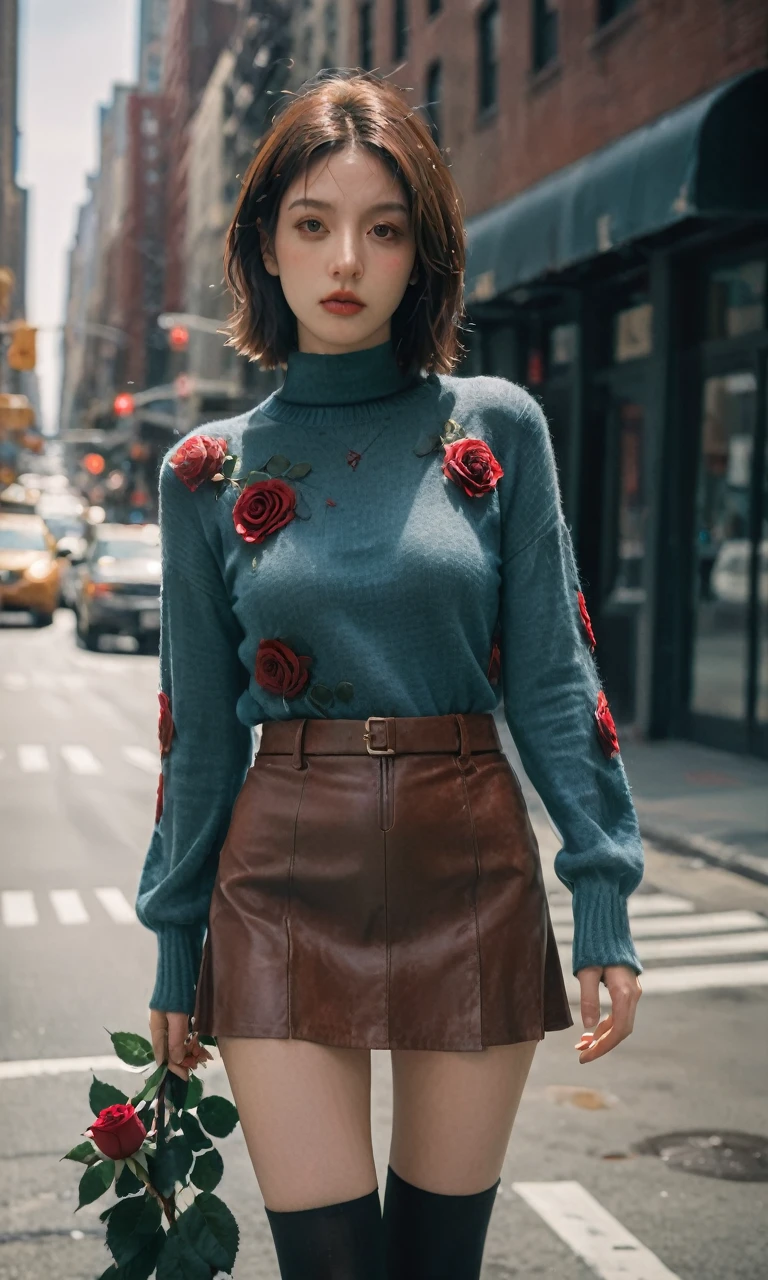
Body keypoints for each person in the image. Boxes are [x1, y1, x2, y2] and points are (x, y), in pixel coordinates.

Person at [135, 69, 644, 1280]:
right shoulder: (203, 469)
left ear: (426, 252)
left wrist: (606, 893)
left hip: (466, 859)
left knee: (433, 1266)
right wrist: (172, 935)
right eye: (313, 223)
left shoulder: (499, 426)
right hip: (279, 878)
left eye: (384, 227)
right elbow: (198, 731)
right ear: (266, 243)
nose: (346, 259)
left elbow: (558, 680)